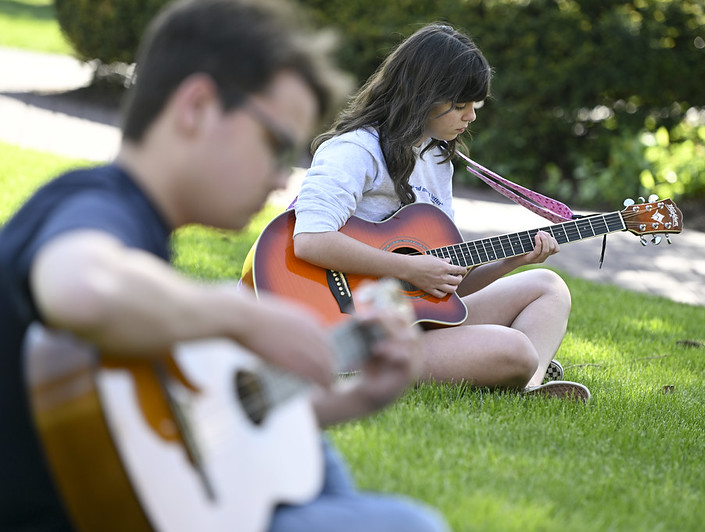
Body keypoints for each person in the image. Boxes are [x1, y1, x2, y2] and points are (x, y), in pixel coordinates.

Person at [0, 1, 448, 531]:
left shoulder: (144, 244)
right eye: (275, 145)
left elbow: (202, 426)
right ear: (197, 107)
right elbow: (80, 287)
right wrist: (243, 316)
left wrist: (359, 396)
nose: (282, 180)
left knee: (313, 460)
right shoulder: (95, 205)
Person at [289, 23, 591, 402]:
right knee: (515, 349)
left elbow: (441, 286)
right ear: (423, 95)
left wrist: (508, 262)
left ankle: (530, 386)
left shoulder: (436, 159)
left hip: (412, 319)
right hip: (347, 327)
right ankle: (350, 369)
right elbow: (310, 241)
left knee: (548, 286)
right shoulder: (355, 150)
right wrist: (407, 268)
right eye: (461, 105)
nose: (471, 117)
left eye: (474, 106)